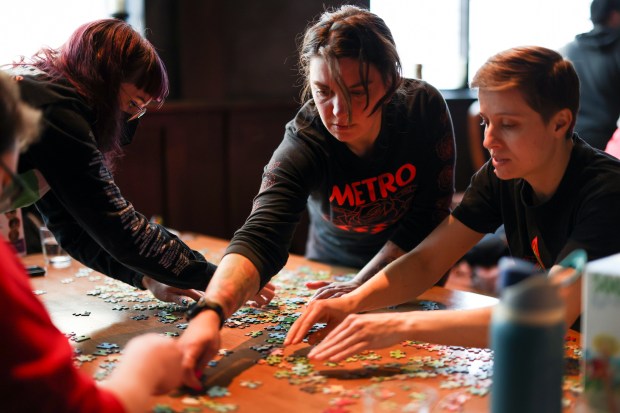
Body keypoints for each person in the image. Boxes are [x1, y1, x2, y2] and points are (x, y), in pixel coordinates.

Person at [284, 45, 620, 360]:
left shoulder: (606, 191)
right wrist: (352, 301)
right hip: (574, 352)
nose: (489, 140)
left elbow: (549, 314)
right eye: (486, 122)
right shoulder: (502, 175)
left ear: (560, 123)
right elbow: (428, 260)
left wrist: (398, 325)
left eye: (509, 125)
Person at [179, 5, 455, 386]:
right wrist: (210, 312)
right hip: (331, 273)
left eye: (357, 92)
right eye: (324, 92)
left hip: (419, 276)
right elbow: (261, 233)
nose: (338, 112)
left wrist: (364, 283)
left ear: (390, 81)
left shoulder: (422, 108)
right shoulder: (306, 138)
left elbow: (429, 217)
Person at [0, 70, 183, 412]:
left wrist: (143, 277)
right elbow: (74, 406)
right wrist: (144, 365)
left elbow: (74, 231)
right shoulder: (61, 125)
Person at [6, 19, 218, 305]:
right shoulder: (58, 111)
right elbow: (119, 227)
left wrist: (146, 277)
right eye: (133, 104)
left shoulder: (45, 91)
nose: (129, 121)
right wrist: (219, 277)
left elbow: (74, 231)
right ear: (103, 78)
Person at [561, 0, 620, 150]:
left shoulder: (568, 50)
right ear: (614, 15)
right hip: (604, 143)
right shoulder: (616, 48)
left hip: (565, 137)